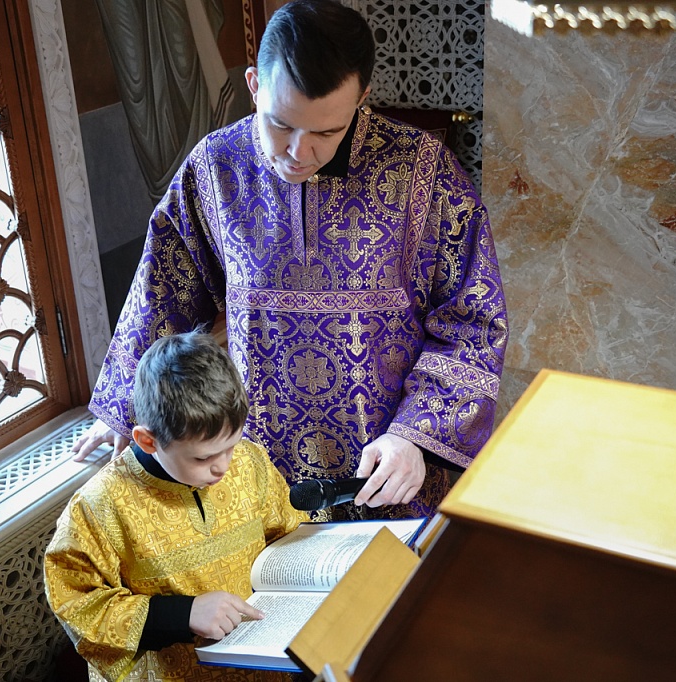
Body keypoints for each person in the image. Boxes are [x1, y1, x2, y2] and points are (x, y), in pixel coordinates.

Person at [74, 0, 507, 521]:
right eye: (280, 124)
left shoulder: (424, 171)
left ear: (362, 99)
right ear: (254, 85)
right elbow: (162, 294)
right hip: (255, 471)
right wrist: (124, 408)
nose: (300, 152)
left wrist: (417, 434)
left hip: (388, 470)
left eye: (326, 133)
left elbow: (474, 321)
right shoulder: (214, 169)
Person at [45, 330, 307, 681]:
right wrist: (183, 614)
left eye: (231, 446)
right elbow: (78, 605)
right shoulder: (99, 506)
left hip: (263, 664)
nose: (223, 467)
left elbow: (287, 536)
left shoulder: (250, 462)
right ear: (148, 441)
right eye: (203, 457)